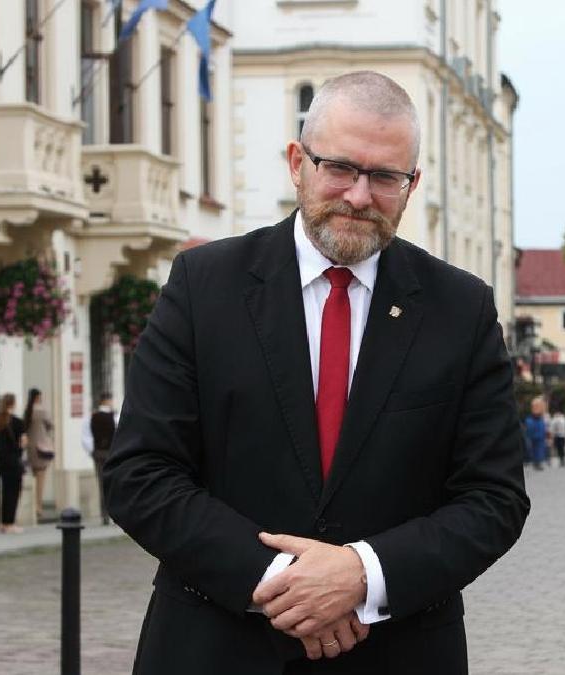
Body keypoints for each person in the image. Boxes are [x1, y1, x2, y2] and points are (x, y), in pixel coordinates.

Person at [103, 71, 529, 674]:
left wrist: (362, 574)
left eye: (385, 177)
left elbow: (494, 498)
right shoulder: (204, 286)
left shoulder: (461, 309)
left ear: (412, 185)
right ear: (297, 163)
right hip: (216, 648)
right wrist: (284, 582)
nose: (359, 195)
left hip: (396, 653)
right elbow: (140, 472)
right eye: (340, 168)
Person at [0, 393, 26, 534]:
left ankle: (3, 523)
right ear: (13, 404)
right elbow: (23, 442)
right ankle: (10, 523)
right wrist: (20, 450)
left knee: (5, 490)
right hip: (13, 460)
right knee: (14, 492)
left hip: (0, 459)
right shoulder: (18, 422)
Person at [84, 392, 118, 525]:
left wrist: (93, 451)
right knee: (114, 484)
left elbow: (86, 437)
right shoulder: (115, 416)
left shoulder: (92, 417)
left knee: (103, 484)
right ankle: (113, 513)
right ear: (107, 401)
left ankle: (105, 514)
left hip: (99, 453)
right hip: (113, 453)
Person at [23, 388, 55, 519]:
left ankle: (32, 506)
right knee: (41, 478)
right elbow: (51, 425)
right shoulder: (41, 411)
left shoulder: (27, 411)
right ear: (37, 397)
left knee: (33, 476)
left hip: (30, 448)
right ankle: (38, 506)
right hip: (41, 448)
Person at [525, 397, 549, 471]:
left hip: (538, 437)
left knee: (538, 451)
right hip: (536, 437)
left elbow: (543, 429)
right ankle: (536, 463)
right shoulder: (531, 420)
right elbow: (529, 429)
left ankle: (537, 463)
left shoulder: (538, 420)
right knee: (536, 451)